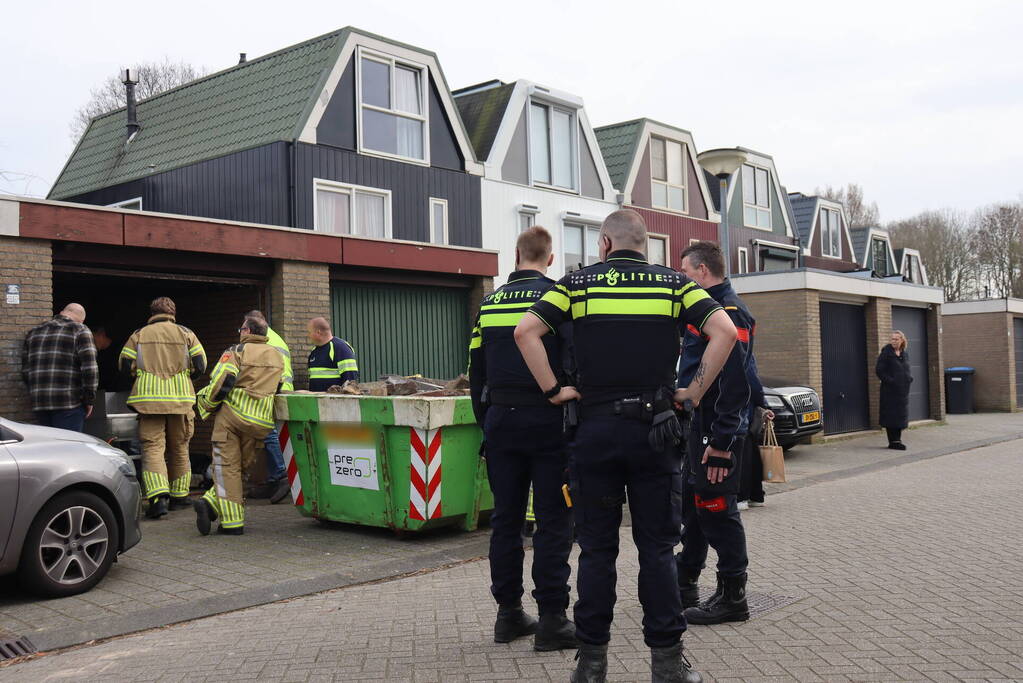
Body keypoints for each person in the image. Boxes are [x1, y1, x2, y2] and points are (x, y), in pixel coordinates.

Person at [515, 210, 737, 683]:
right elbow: (726, 332)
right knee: (657, 550)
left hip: (593, 432)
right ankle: (668, 665)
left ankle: (591, 665)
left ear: (604, 243)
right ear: (644, 244)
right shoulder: (675, 285)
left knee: (597, 551)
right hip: (656, 432)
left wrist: (554, 390)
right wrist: (693, 392)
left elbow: (525, 333)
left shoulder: (575, 285)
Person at [468, 226, 576, 652]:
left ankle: (508, 614)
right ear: (550, 258)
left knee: (505, 522)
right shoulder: (558, 300)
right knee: (553, 521)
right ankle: (552, 620)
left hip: (500, 424)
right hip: (549, 421)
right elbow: (573, 362)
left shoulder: (489, 303)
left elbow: (476, 372)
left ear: (516, 255)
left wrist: (487, 424)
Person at [672, 242, 756, 626]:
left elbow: (739, 383)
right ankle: (685, 579)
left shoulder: (729, 313)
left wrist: (723, 442)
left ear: (703, 271)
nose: (683, 280)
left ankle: (732, 597)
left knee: (718, 508)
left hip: (717, 430)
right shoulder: (705, 311)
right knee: (695, 504)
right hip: (700, 425)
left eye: (686, 273)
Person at [194, 315, 284, 535]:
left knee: (227, 469)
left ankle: (232, 524)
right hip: (260, 423)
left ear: (247, 331)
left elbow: (224, 381)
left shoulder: (237, 351)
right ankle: (209, 503)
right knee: (239, 470)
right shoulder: (277, 356)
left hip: (233, 418)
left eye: (241, 328)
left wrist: (208, 403)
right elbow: (279, 387)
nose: (239, 332)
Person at [120, 297, 206, 518]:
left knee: (153, 448)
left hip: (149, 402)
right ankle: (180, 496)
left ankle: (158, 499)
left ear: (152, 312)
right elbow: (200, 365)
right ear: (173, 312)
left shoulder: (139, 334)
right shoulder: (187, 333)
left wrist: (140, 376)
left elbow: (124, 364)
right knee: (180, 447)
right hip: (181, 400)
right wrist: (184, 378)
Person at [21, 303, 98, 432]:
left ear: (62, 312)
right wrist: (89, 400)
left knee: (49, 448)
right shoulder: (80, 330)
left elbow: (25, 371)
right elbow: (90, 369)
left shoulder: (34, 332)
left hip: (40, 404)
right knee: (68, 447)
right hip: (68, 404)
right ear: (81, 319)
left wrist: (37, 393)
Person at [246, 310, 293, 504]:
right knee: (268, 433)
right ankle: (274, 479)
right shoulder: (275, 338)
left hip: (273, 391)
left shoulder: (265, 339)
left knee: (269, 432)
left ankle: (281, 475)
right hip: (279, 389)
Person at [876, 330, 912, 450]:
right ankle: (893, 441)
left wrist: (909, 379)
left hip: (902, 391)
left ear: (902, 340)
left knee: (900, 415)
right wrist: (891, 381)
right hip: (889, 391)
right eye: (892, 339)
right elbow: (879, 371)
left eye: (896, 339)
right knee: (891, 415)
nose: (894, 341)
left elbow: (907, 369)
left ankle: (898, 440)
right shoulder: (886, 354)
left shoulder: (904, 354)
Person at [306, 317, 359, 391]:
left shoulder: (341, 348)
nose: (308, 336)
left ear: (318, 332)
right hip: (317, 401)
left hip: (336, 401)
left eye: (309, 332)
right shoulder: (314, 352)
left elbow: (350, 382)